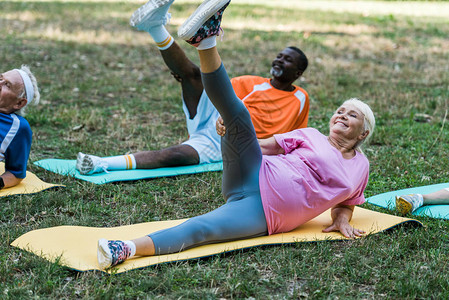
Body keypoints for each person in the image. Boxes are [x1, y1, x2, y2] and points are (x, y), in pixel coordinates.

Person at [96, 0, 376, 270]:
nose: (341, 115)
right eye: (340, 111)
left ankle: (125, 248)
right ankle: (205, 40)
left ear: (363, 132)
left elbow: (348, 200)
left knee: (201, 228)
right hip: (255, 170)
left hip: (264, 211)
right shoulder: (311, 134)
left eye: (351, 115)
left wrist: (342, 220)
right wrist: (234, 134)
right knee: (239, 113)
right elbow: (265, 146)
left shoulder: (360, 167)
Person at [75, 0, 309, 175]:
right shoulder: (251, 82)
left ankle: (100, 163)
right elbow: (216, 89)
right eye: (279, 56)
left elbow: (296, 137)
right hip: (217, 119)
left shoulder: (301, 99)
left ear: (298, 73)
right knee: (194, 76)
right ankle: (158, 26)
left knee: (177, 155)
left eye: (287, 60)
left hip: (232, 139)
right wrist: (190, 84)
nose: (279, 60)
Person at [0, 66, 40, 189]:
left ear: (19, 103)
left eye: (7, 85)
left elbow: (16, 173)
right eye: (1, 78)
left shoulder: (17, 128)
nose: (0, 83)